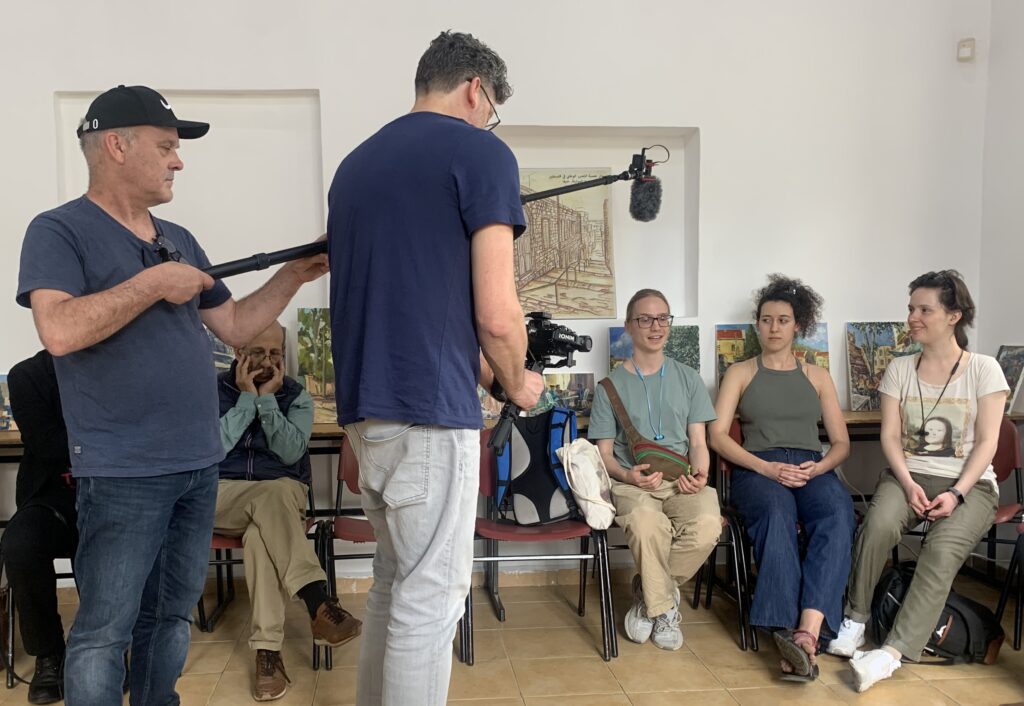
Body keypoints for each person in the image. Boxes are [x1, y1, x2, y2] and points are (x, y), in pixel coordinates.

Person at [15, 84, 328, 706]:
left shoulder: (179, 236)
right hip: (123, 472)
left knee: (170, 618)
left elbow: (235, 325)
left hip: (198, 463)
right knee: (104, 632)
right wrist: (154, 283)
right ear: (116, 145)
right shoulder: (58, 230)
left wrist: (292, 274)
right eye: (165, 147)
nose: (178, 161)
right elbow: (59, 330)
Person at [326, 32, 543, 706]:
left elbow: (415, 306)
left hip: (368, 414)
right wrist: (517, 382)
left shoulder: (356, 165)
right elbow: (499, 316)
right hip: (427, 416)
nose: (489, 121)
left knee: (394, 586)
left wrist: (485, 369)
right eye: (492, 109)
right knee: (432, 601)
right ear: (476, 89)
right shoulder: (480, 153)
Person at [826, 270, 1008, 692]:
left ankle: (891, 654)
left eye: (925, 310)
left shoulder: (984, 369)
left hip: (971, 485)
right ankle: (855, 621)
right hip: (907, 475)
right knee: (877, 524)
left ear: (953, 316)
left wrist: (956, 493)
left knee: (940, 550)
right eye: (911, 308)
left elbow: (988, 442)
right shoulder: (900, 368)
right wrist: (908, 485)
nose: (913, 317)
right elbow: (890, 437)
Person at [709, 274, 853, 681]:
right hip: (758, 467)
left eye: (783, 320)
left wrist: (820, 467)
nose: (774, 327)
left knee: (838, 512)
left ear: (797, 326)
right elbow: (717, 436)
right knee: (776, 513)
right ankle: (784, 630)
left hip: (811, 465)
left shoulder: (818, 376)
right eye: (767, 320)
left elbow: (841, 443)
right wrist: (766, 468)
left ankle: (808, 631)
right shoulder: (740, 372)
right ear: (757, 324)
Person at [214, 321, 361, 701]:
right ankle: (317, 600)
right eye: (257, 353)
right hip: (222, 496)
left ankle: (267, 653)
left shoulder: (296, 396)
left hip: (281, 498)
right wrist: (247, 400)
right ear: (238, 353)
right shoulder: (211, 392)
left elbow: (290, 451)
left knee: (261, 531)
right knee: (272, 496)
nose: (268, 361)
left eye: (275, 353)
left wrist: (267, 403)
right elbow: (213, 447)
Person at [588, 288, 722, 651]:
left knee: (708, 525)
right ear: (629, 326)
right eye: (645, 319)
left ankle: (649, 595)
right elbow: (604, 455)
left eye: (662, 318)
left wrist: (700, 475)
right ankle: (663, 608)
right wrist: (626, 476)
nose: (655, 326)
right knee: (648, 525)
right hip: (633, 484)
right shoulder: (610, 387)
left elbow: (698, 442)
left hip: (681, 481)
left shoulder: (689, 378)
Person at [1, 350, 76, 704]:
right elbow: (48, 445)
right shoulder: (27, 375)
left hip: (111, 496)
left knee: (105, 543)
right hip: (50, 499)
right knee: (19, 545)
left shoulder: (116, 367)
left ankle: (101, 648)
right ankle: (49, 654)